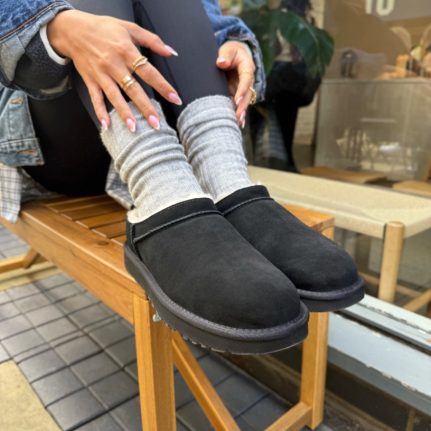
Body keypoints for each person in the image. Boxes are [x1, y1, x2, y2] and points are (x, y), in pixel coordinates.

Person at [0, 0, 363, 354]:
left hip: (157, 127)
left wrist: (232, 44)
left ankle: (226, 180)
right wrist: (61, 27)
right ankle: (160, 189)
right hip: (56, 141)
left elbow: (202, 17)